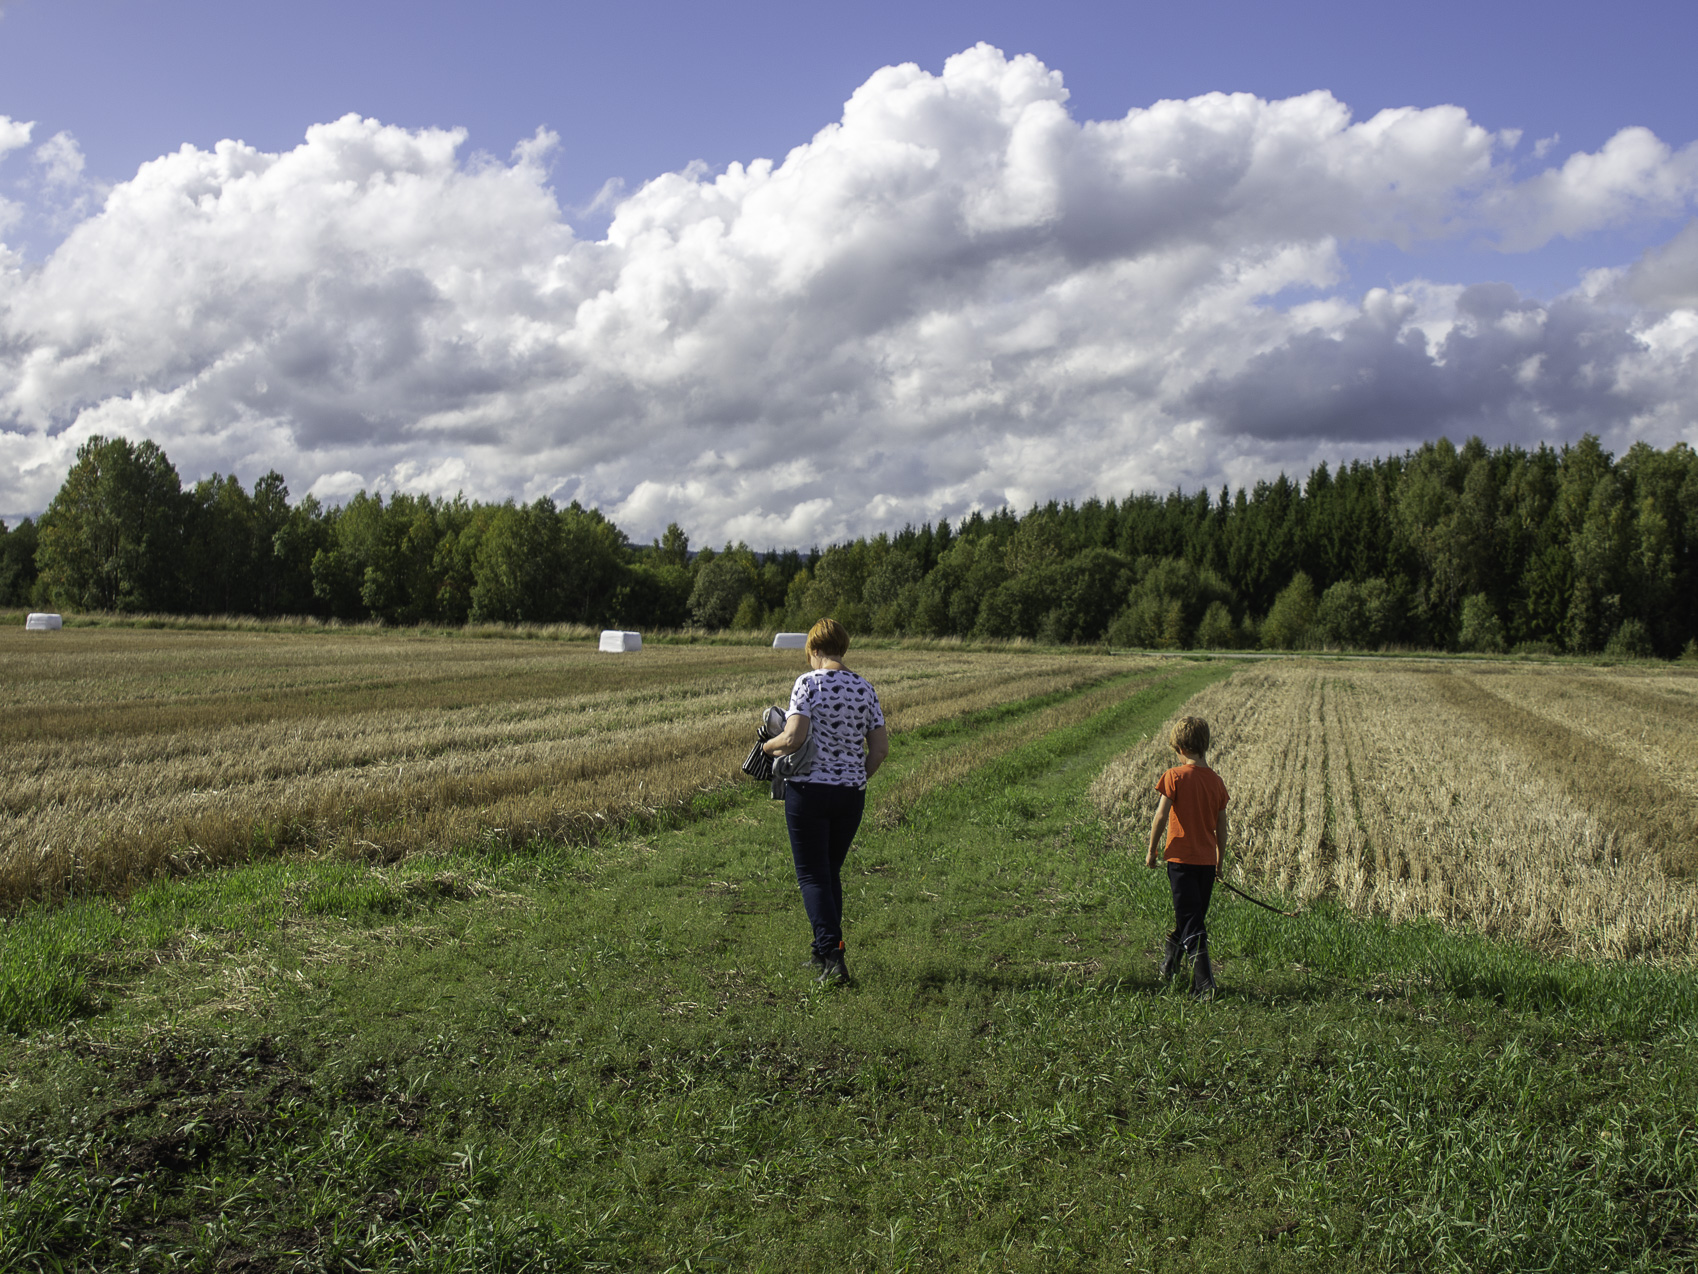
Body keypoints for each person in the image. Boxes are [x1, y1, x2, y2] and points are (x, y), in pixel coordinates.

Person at [761, 617, 889, 984]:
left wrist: (767, 746)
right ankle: (821, 951)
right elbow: (879, 750)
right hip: (851, 796)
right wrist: (854, 778)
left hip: (809, 793)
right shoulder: (865, 689)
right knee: (830, 872)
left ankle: (833, 959)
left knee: (812, 876)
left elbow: (794, 738)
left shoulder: (808, 683)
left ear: (814, 651)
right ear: (842, 649)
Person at [1146, 715, 1230, 999]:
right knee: (1193, 919)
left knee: (1191, 920)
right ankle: (1187, 974)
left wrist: (1152, 849)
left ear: (1180, 747)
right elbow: (1222, 827)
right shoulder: (1216, 782)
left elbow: (1160, 816)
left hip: (1181, 862)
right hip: (1205, 863)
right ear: (1205, 745)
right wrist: (1220, 861)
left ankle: (1193, 977)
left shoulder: (1174, 776)